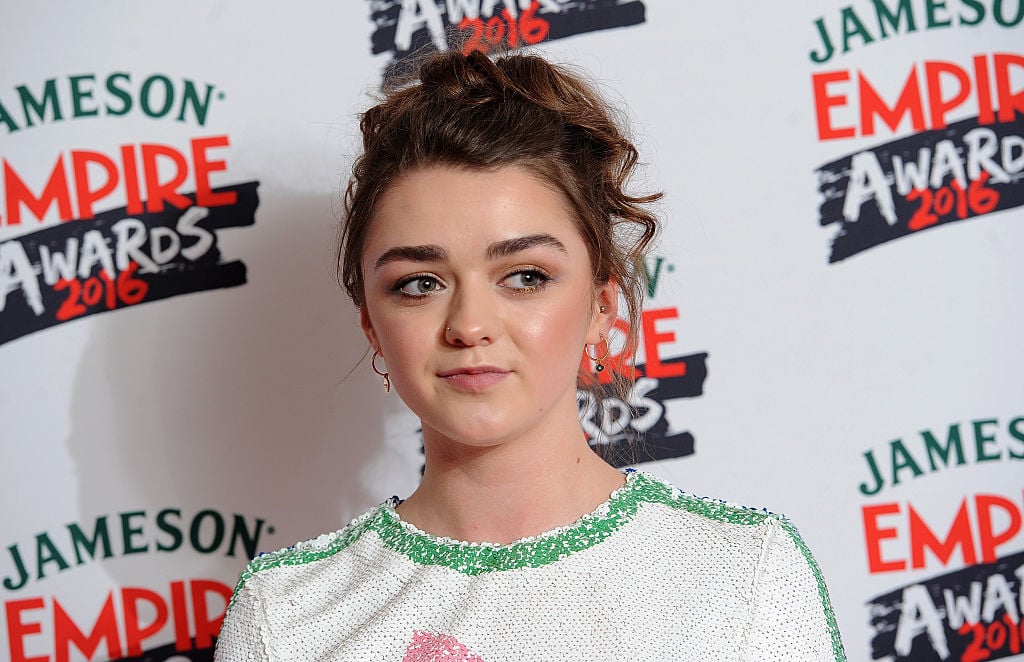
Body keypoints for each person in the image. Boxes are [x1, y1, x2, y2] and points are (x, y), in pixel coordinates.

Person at [214, 49, 846, 661]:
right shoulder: (286, 619)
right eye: (420, 284)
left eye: (524, 277)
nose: (469, 326)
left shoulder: (744, 579)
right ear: (372, 327)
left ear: (600, 306)